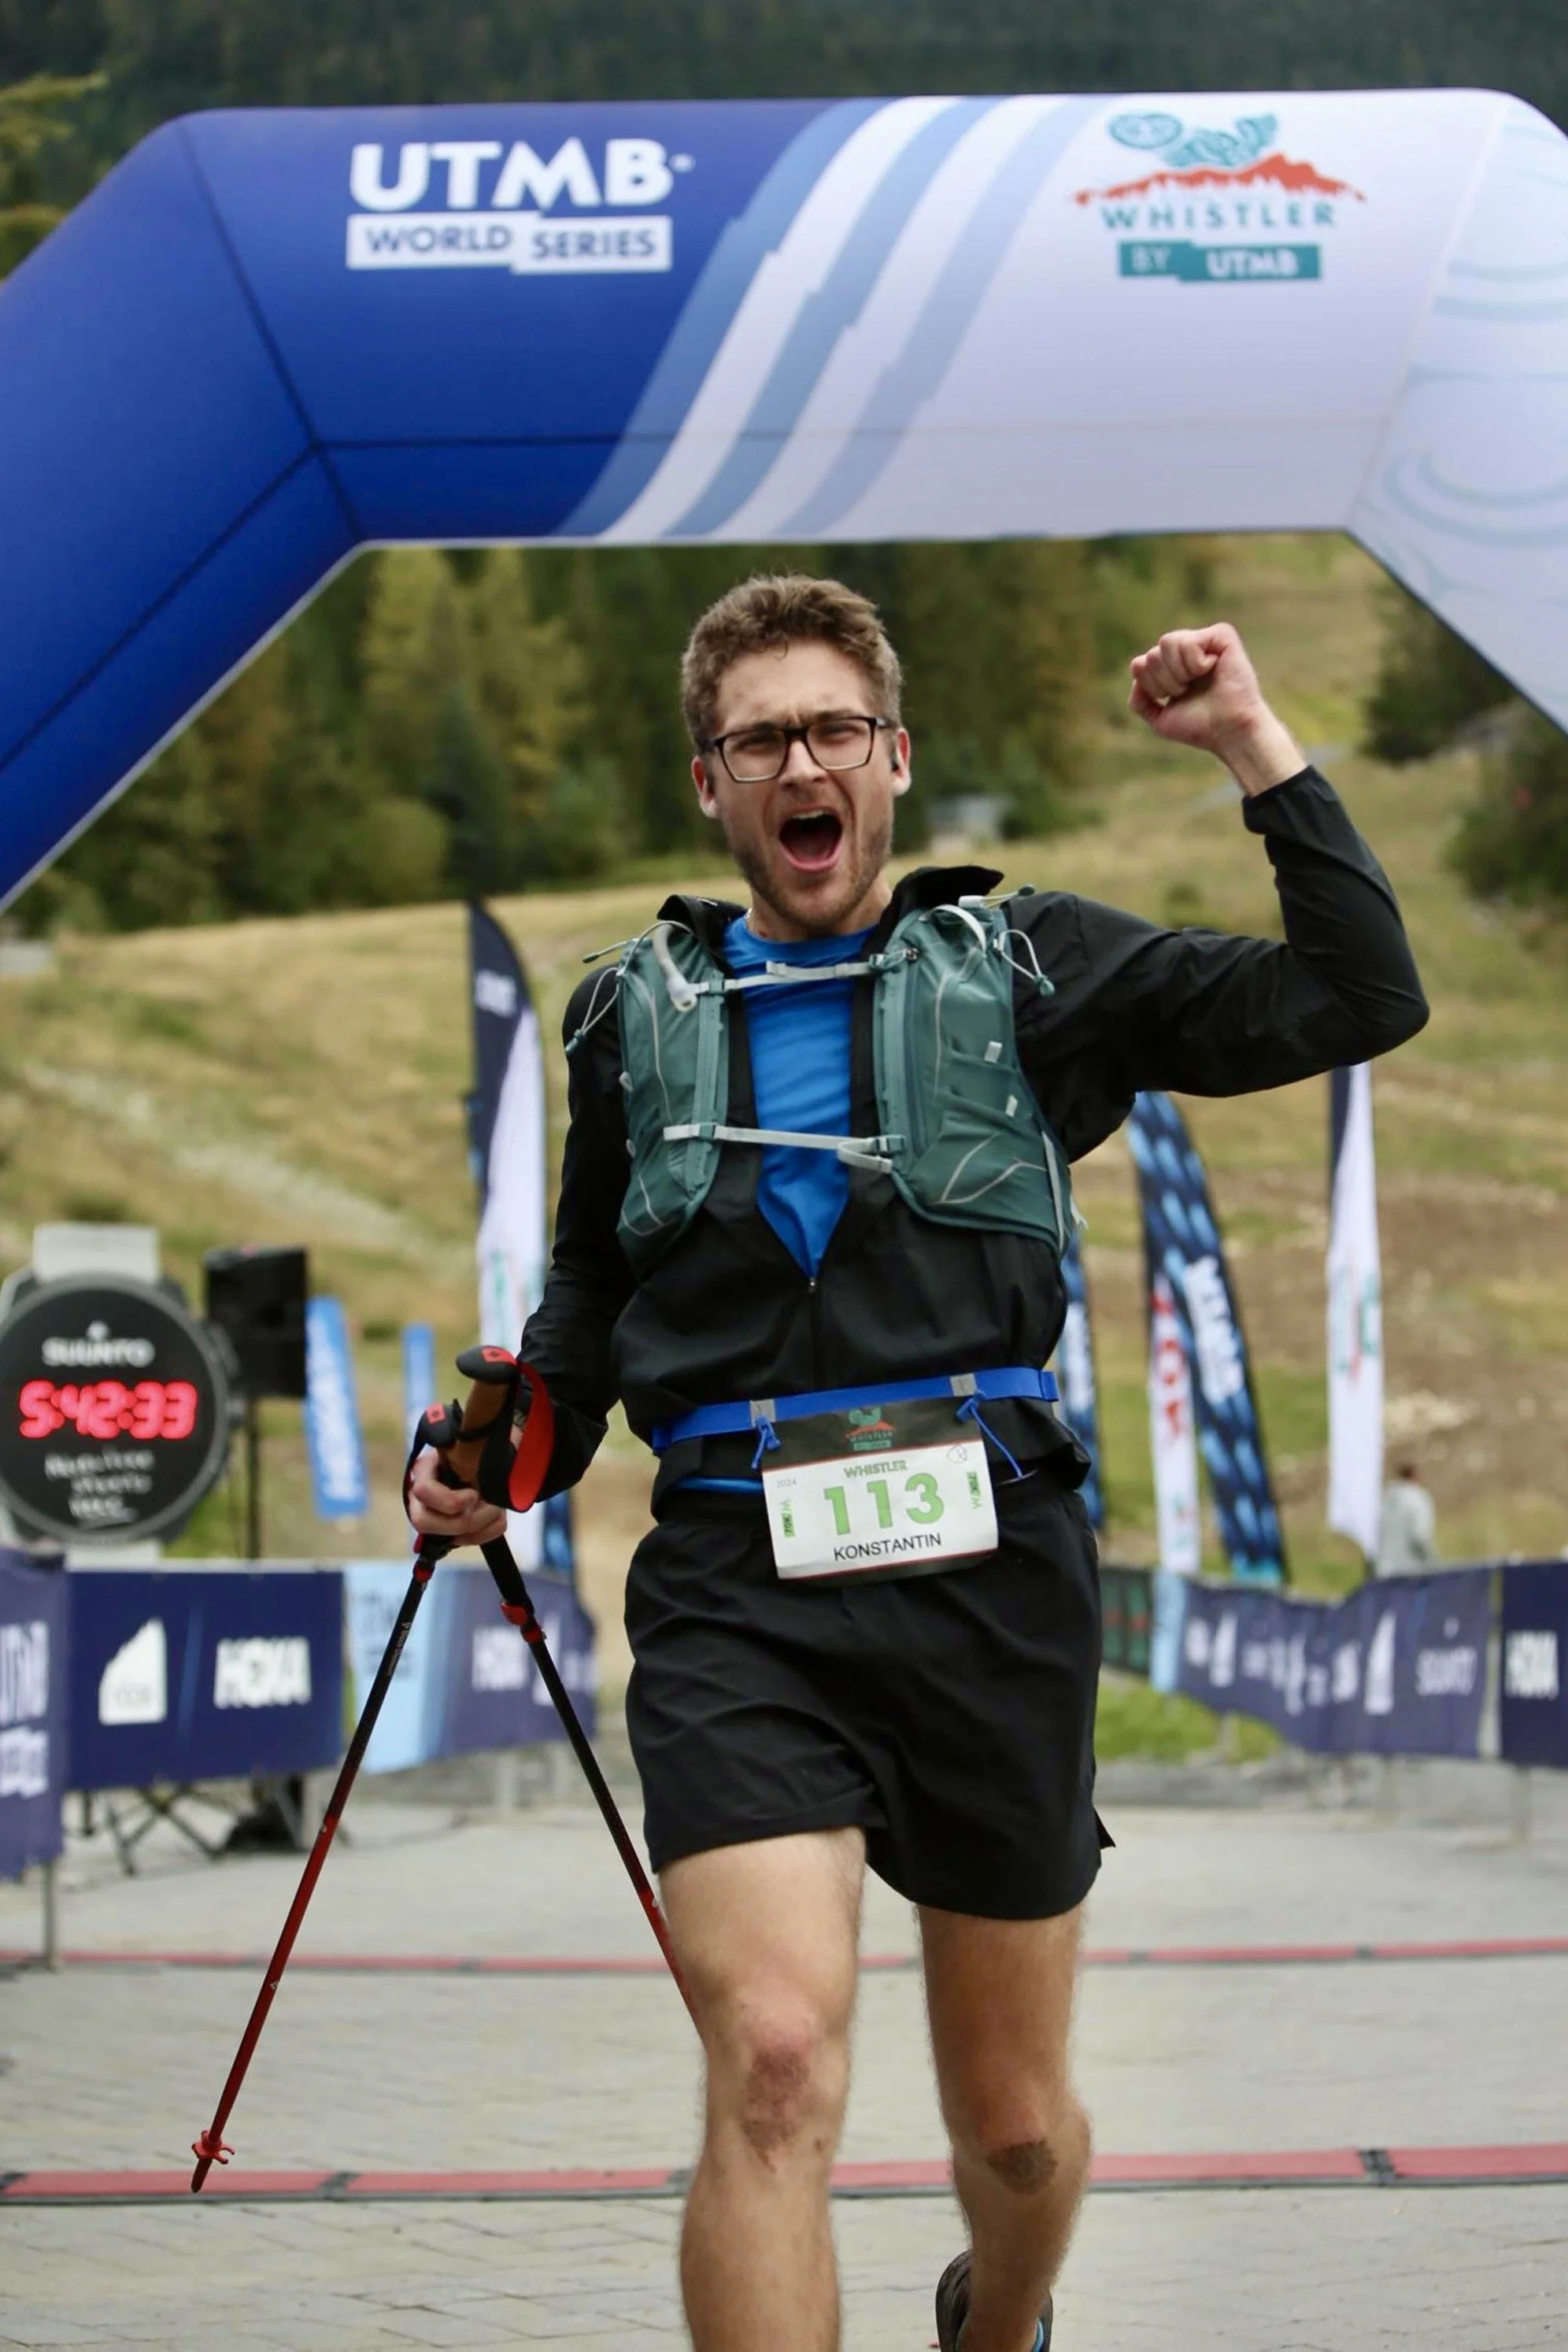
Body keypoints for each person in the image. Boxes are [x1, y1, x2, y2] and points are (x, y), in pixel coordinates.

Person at [409, 577, 1428, 2352]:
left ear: (890, 762)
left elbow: (1361, 992)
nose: (799, 767)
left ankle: (1001, 2318)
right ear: (709, 784)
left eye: (831, 733)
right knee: (777, 2064)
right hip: (738, 1586)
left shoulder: (1034, 965)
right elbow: (590, 1294)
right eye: (757, 740)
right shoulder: (620, 1019)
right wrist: (508, 1452)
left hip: (989, 1581)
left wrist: (1251, 745)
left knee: (1014, 2132)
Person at [1375, 1460, 1437, 1576]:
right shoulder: (1418, 1500)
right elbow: (1420, 1536)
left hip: (1382, 1571)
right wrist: (1433, 1565)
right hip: (1410, 1572)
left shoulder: (1384, 1499)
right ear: (1415, 1477)